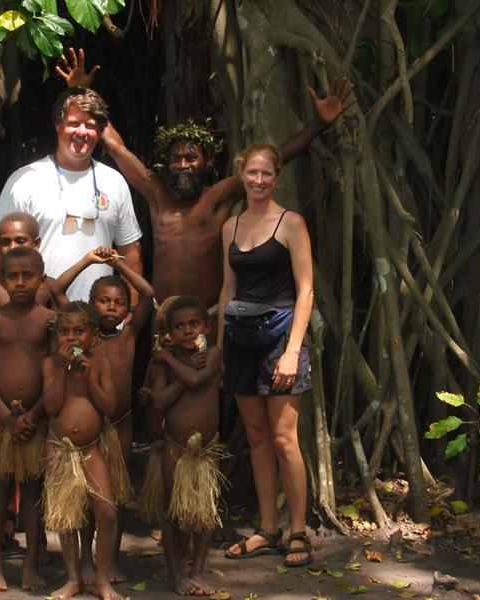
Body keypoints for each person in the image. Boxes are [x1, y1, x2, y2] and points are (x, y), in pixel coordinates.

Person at [56, 48, 355, 336]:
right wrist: (83, 96)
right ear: (167, 164)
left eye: (191, 158)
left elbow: (278, 156)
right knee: (162, 388)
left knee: (205, 386)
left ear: (206, 163)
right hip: (163, 318)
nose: (183, 165)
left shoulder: (219, 196)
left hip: (207, 318)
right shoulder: (156, 193)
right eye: (176, 159)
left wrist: (319, 123)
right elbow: (115, 146)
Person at [218, 144, 315, 568]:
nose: (258, 181)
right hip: (241, 340)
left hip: (280, 337)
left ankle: (298, 531)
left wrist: (293, 352)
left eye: (266, 174)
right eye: (251, 173)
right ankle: (267, 528)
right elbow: (228, 289)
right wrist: (221, 348)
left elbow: (306, 289)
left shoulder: (290, 223)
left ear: (277, 177)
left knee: (283, 438)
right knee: (256, 437)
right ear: (242, 175)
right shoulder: (231, 226)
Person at [53, 246, 154, 583]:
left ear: (128, 308)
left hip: (120, 425)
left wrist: (120, 265)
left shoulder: (129, 335)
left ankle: (109, 561)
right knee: (84, 495)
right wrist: (86, 261)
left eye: (119, 302)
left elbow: (149, 293)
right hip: (89, 429)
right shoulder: (84, 337)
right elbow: (55, 291)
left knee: (116, 495)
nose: (111, 307)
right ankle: (83, 560)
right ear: (92, 305)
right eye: (103, 301)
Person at [0, 87, 143, 303]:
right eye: (73, 123)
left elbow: (130, 249)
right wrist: (7, 310)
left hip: (100, 318)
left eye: (90, 126)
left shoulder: (114, 181)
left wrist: (131, 310)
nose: (81, 132)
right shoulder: (25, 179)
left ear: (99, 131)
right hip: (38, 313)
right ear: (57, 125)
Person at [0, 211, 51, 567]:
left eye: (27, 276)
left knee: (34, 491)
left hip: (37, 416)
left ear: (40, 279)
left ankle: (32, 562)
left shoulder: (50, 319)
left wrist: (35, 415)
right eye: (13, 277)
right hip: (1, 417)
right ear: (2, 279)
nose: (19, 283)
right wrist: (2, 413)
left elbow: (60, 366)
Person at [42, 302, 123, 600]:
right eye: (64, 332)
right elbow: (51, 407)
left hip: (91, 448)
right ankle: (73, 578)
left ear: (93, 337)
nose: (71, 338)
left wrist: (89, 377)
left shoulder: (99, 363)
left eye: (79, 331)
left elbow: (110, 408)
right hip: (60, 449)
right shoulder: (51, 365)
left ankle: (101, 579)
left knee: (107, 510)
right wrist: (63, 372)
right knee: (68, 517)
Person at [151, 296, 224, 596]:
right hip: (175, 447)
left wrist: (171, 363)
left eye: (194, 324)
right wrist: (170, 362)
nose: (188, 331)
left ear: (206, 326)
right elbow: (158, 401)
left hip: (206, 450)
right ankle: (176, 573)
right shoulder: (164, 362)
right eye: (179, 326)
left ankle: (197, 571)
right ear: (169, 332)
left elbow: (197, 380)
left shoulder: (215, 354)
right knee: (171, 511)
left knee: (204, 511)